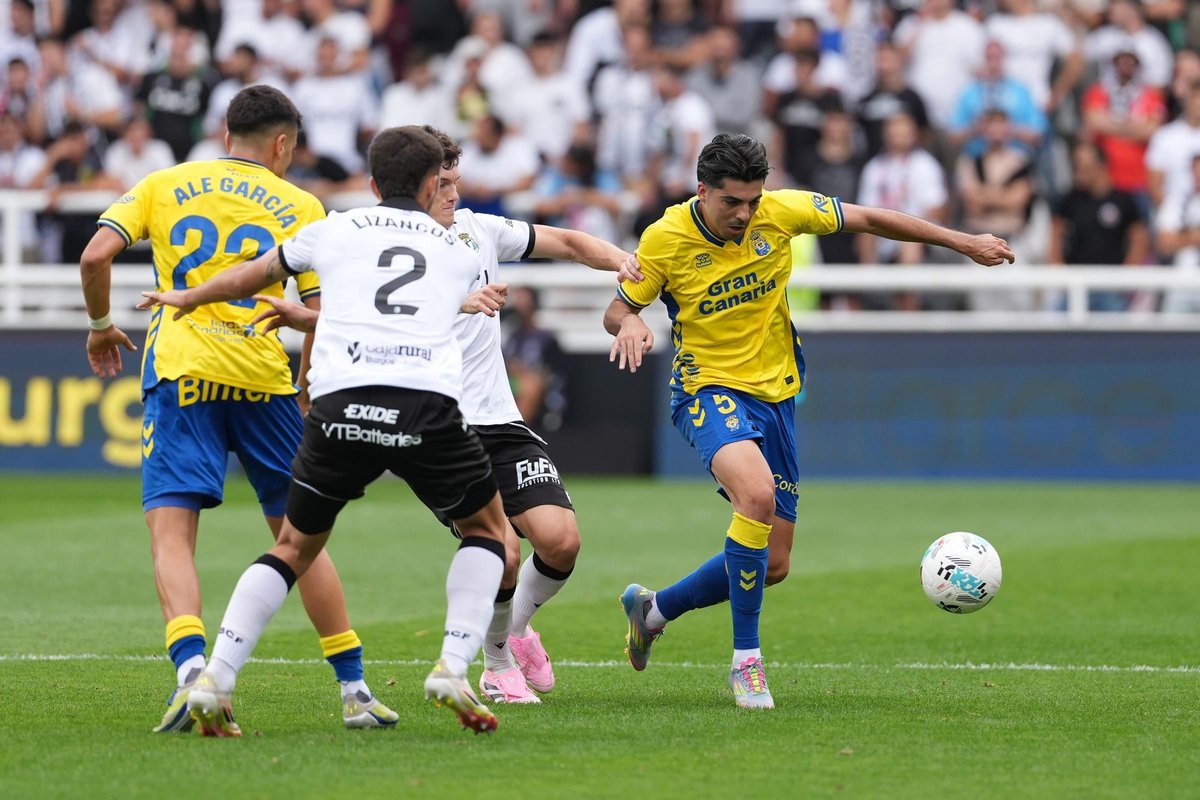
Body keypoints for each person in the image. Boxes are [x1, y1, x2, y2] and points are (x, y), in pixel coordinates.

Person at [605, 133, 1013, 709]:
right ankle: (746, 664)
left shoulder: (781, 211)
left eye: (754, 200)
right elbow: (619, 306)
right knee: (756, 496)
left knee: (772, 563)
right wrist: (628, 324)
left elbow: (869, 217)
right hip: (707, 388)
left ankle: (653, 610)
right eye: (732, 203)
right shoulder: (665, 238)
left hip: (777, 395)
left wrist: (964, 242)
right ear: (702, 191)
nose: (746, 214)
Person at [246, 125, 638, 706]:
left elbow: (571, 244)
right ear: (421, 184)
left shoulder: (483, 231)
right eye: (444, 182)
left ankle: (519, 627)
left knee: (561, 542)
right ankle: (497, 662)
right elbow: (355, 312)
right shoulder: (383, 242)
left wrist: (631, 269)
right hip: (437, 423)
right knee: (502, 548)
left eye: (457, 181)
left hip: (500, 422)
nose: (453, 193)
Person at [139, 125, 510, 736]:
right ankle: (452, 663)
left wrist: (189, 297)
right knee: (489, 533)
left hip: (342, 408)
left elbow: (253, 275)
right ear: (427, 184)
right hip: (426, 408)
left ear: (370, 183)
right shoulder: (459, 250)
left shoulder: (333, 229)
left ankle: (216, 676)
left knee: (292, 546)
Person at [77, 85, 397, 733]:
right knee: (298, 540)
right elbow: (319, 316)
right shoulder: (304, 204)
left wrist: (102, 324)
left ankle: (195, 672)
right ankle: (354, 689)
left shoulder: (164, 182)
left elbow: (95, 255)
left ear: (227, 133)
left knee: (172, 535)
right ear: (283, 144)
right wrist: (308, 386)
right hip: (262, 379)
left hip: (184, 373)